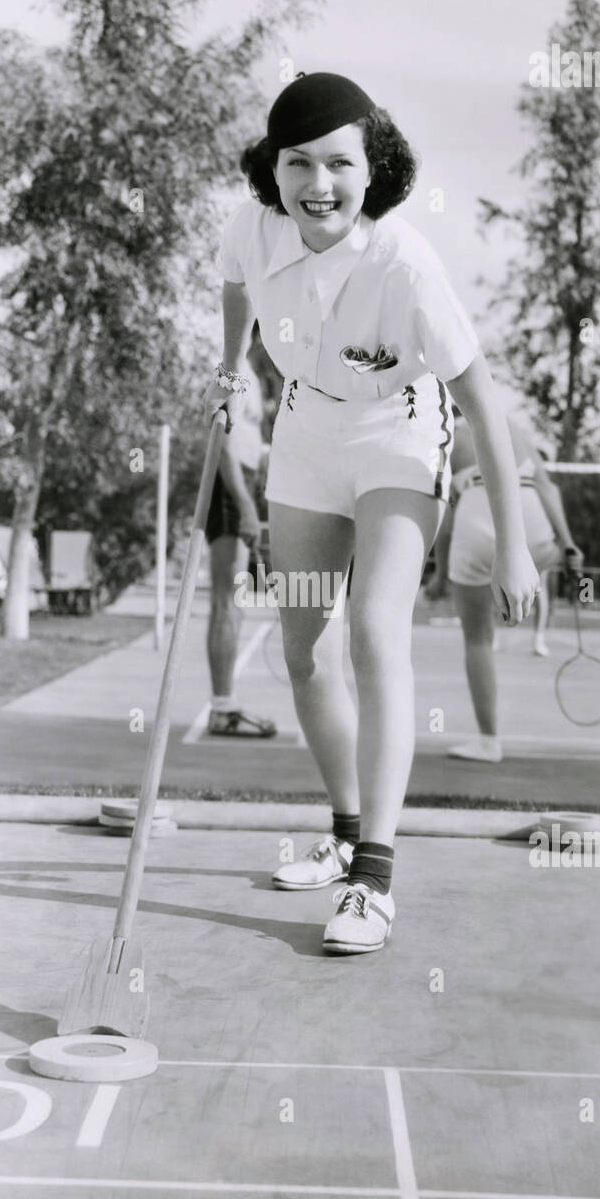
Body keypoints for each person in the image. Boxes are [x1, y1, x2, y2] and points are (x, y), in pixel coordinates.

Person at [202, 72, 539, 953]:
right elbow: (237, 288)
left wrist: (514, 550)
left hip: (399, 431)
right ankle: (346, 830)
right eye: (298, 164)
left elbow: (484, 407)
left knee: (374, 630)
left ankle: (374, 879)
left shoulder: (406, 266)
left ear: (373, 167)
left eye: (339, 164)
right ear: (270, 173)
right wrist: (233, 364)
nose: (319, 184)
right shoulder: (249, 228)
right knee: (303, 649)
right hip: (305, 430)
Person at [427, 415, 581, 762]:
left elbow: (445, 513)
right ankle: (525, 582)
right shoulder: (514, 427)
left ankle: (488, 742)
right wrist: (569, 546)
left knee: (477, 640)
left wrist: (439, 576)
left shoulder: (448, 433)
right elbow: (548, 487)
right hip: (528, 515)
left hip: (475, 512)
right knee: (550, 551)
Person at [204, 330, 278, 738]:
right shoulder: (235, 373)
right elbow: (224, 447)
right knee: (227, 600)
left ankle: (224, 703)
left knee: (234, 601)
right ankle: (223, 707)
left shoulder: (252, 375)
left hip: (242, 483)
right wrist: (246, 506)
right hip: (228, 485)